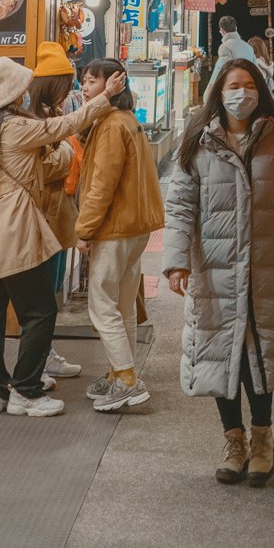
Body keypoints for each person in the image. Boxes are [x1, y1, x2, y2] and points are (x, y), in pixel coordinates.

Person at [163, 59, 274, 488]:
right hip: (216, 269)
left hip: (264, 270)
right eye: (232, 85)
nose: (240, 93)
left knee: (258, 356)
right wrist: (175, 261)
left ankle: (263, 439)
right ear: (217, 93)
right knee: (220, 354)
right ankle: (233, 440)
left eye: (247, 85)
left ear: (260, 91)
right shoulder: (197, 142)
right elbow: (180, 205)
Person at [0, 56, 125, 418]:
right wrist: (105, 95)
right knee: (40, 311)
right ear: (15, 92)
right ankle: (27, 391)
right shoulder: (15, 127)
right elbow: (66, 125)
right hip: (15, 226)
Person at [76, 59, 165, 412]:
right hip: (135, 227)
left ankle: (127, 378)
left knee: (102, 303)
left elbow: (102, 185)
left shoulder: (111, 126)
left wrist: (84, 228)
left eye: (91, 80)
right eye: (83, 80)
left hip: (114, 227)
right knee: (124, 303)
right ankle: (118, 373)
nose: (84, 87)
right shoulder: (127, 121)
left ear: (113, 84)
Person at [30, 39, 85, 385]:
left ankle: (43, 354)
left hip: (59, 214)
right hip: (44, 217)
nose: (71, 91)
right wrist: (67, 151)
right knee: (43, 293)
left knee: (49, 291)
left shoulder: (53, 115)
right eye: (66, 85)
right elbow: (45, 168)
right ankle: (38, 359)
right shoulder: (35, 121)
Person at [204, 15, 257, 96]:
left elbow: (224, 71)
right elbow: (256, 69)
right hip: (249, 87)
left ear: (222, 30)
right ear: (236, 28)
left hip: (233, 88)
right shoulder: (248, 47)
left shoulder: (225, 47)